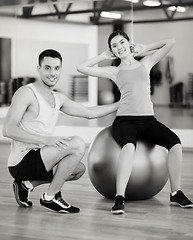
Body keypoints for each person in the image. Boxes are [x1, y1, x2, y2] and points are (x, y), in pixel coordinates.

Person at [77, 30, 193, 214]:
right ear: (112, 52)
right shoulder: (114, 71)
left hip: (148, 120)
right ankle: (119, 197)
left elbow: (170, 42)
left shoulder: (145, 63)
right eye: (114, 46)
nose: (119, 47)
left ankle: (175, 193)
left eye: (122, 42)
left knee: (175, 143)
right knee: (129, 147)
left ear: (129, 44)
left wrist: (145, 48)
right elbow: (81, 67)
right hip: (124, 121)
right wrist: (102, 56)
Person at [3, 49, 120, 214]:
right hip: (22, 162)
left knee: (77, 170)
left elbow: (90, 113)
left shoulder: (58, 98)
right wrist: (46, 140)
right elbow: (8, 129)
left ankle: (25, 185)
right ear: (39, 68)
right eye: (48, 68)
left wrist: (122, 103)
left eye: (57, 68)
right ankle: (50, 197)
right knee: (77, 144)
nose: (53, 73)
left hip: (41, 157)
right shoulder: (26, 93)